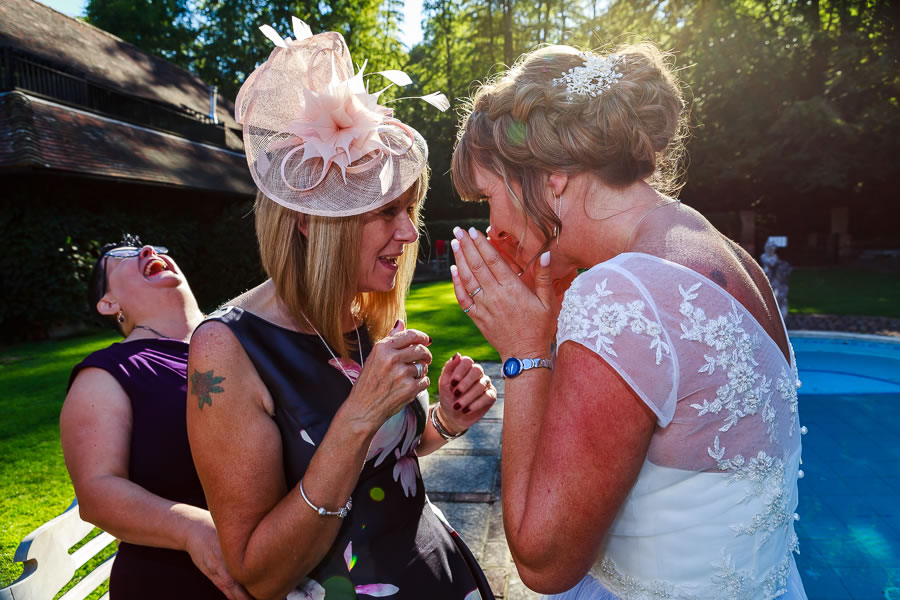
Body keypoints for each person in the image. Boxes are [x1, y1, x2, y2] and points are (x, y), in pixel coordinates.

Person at [449, 43, 807, 599]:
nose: (492, 228)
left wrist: (522, 353)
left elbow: (543, 563)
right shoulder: (727, 256)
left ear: (550, 174)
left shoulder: (622, 295)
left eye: (488, 196)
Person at [186, 21, 496, 600]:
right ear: (311, 222)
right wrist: (358, 415)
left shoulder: (369, 313)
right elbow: (257, 573)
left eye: (410, 210)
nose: (409, 233)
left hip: (441, 574)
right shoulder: (227, 349)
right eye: (386, 213)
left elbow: (391, 458)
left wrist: (445, 421)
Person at [60, 235, 249, 600]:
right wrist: (194, 530)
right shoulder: (107, 373)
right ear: (108, 303)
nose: (148, 251)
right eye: (123, 256)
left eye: (155, 249)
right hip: (177, 584)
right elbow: (97, 491)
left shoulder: (248, 340)